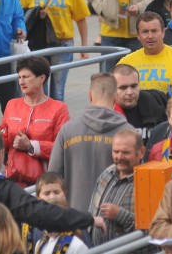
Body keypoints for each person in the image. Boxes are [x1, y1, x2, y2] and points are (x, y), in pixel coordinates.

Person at [48, 73, 135, 212]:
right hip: (113, 218)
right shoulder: (129, 133)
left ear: (89, 95)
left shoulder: (68, 130)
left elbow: (52, 175)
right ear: (116, 97)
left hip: (75, 217)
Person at [20, 0, 90, 101]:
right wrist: (36, 14)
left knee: (57, 91)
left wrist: (84, 47)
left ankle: (58, 123)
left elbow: (81, 19)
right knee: (39, 90)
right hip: (38, 45)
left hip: (62, 44)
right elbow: (21, 14)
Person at [0, 57, 70, 187]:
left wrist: (31, 146)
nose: (21, 82)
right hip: (14, 178)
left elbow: (64, 148)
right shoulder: (12, 104)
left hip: (45, 182)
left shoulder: (59, 108)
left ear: (41, 78)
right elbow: (5, 139)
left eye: (26, 77)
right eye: (19, 77)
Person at [88, 129, 144, 245]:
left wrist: (120, 215)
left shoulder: (149, 182)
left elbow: (156, 230)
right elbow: (91, 212)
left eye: (126, 152)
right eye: (115, 151)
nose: (119, 157)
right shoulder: (106, 175)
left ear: (141, 152)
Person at [116, 11, 172, 93]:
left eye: (154, 31)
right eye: (145, 32)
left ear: (163, 33)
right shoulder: (126, 63)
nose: (150, 36)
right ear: (138, 36)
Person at [110, 64, 167, 145]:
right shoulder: (106, 114)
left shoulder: (158, 100)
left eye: (134, 86)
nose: (130, 92)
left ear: (139, 84)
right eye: (123, 88)